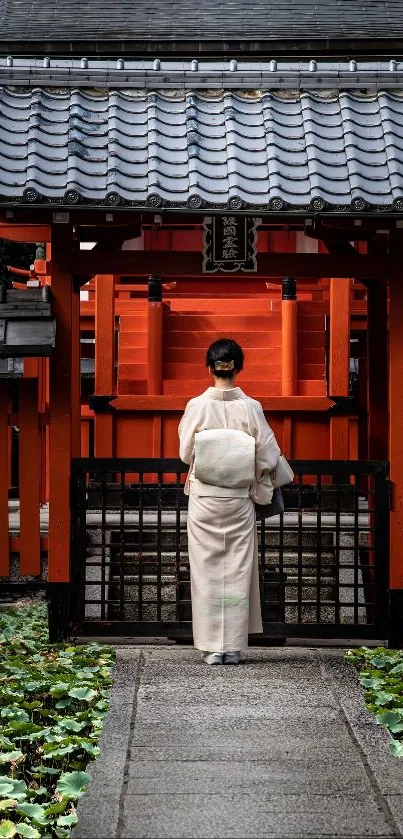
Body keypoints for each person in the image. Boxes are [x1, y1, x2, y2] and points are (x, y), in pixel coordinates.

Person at [178, 338, 281, 665]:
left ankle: (211, 647)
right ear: (239, 368)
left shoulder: (197, 405)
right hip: (238, 498)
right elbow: (268, 456)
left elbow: (184, 454)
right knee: (237, 568)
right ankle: (232, 647)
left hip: (206, 498)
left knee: (206, 569)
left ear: (210, 368)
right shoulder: (251, 407)